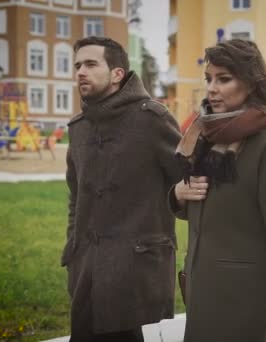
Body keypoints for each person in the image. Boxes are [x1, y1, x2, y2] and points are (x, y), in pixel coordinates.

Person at [169, 39, 266, 341]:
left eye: (224, 79)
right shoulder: (208, 136)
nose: (212, 88)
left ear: (250, 83)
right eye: (209, 79)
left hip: (242, 298)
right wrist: (178, 196)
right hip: (200, 288)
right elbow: (213, 206)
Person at [62, 36, 181, 341]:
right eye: (77, 65)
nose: (80, 72)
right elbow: (75, 195)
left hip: (134, 265)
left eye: (90, 64)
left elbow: (187, 178)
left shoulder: (152, 119)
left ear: (117, 73)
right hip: (87, 266)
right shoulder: (78, 128)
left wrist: (176, 199)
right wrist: (74, 249)